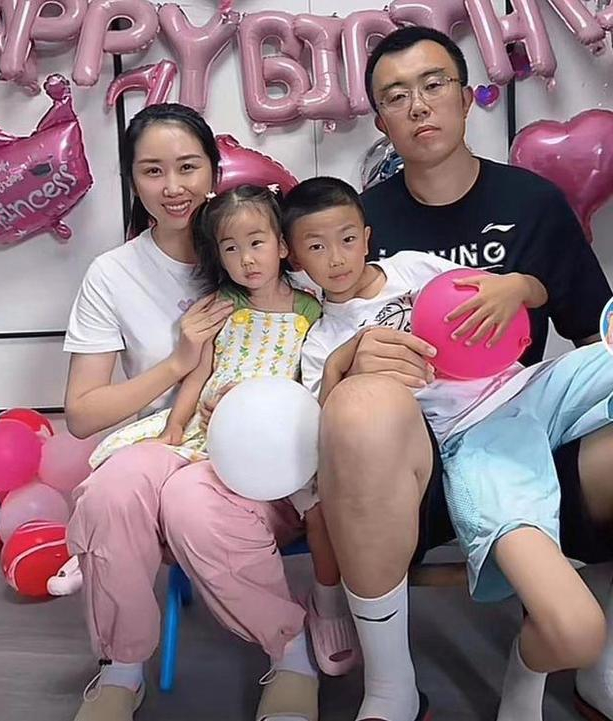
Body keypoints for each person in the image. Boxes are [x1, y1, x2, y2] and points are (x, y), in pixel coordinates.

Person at [283, 176, 612, 721]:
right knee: (572, 625)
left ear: (367, 237)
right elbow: (335, 440)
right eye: (316, 247)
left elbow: (525, 292)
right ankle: (509, 672)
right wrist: (345, 368)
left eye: (347, 239)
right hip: (472, 436)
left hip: (531, 386)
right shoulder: (322, 340)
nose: (336, 258)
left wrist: (518, 286)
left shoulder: (412, 267)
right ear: (295, 259)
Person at [357, 25, 613, 721]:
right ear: (380, 121)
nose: (418, 105)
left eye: (433, 84)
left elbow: (591, 335)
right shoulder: (361, 226)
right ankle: (389, 685)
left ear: (468, 98)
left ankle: (597, 647)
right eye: (395, 96)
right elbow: (324, 344)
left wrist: (526, 286)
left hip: (525, 431)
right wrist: (355, 359)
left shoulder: (532, 204)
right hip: (415, 453)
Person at [63, 107, 325, 721]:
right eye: (152, 171)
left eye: (187, 167)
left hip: (257, 460)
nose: (172, 186)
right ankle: (121, 669)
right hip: (169, 439)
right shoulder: (113, 274)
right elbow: (82, 414)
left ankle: (291, 655)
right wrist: (179, 361)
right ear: (132, 180)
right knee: (112, 490)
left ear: (213, 170)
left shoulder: (264, 254)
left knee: (193, 500)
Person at [86, 183, 360, 679]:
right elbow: (198, 374)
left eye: (256, 243)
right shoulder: (221, 308)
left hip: (275, 442)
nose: (246, 259)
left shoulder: (309, 310)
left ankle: (327, 602)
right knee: (121, 480)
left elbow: (315, 380)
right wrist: (174, 426)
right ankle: (92, 563)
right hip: (207, 429)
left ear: (282, 246)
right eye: (231, 249)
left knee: (319, 506)